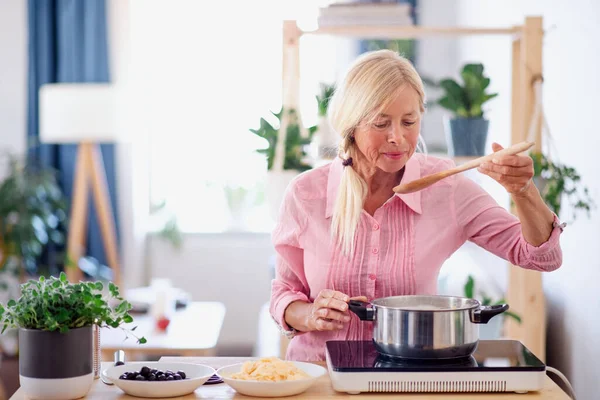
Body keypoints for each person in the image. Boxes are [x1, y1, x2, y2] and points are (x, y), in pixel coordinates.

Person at [269, 49, 564, 362]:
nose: (398, 137)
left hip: (410, 377)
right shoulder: (306, 193)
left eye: (409, 121)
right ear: (351, 125)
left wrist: (523, 190)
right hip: (317, 375)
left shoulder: (447, 188)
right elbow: (283, 293)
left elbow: (542, 257)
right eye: (381, 124)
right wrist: (310, 314)